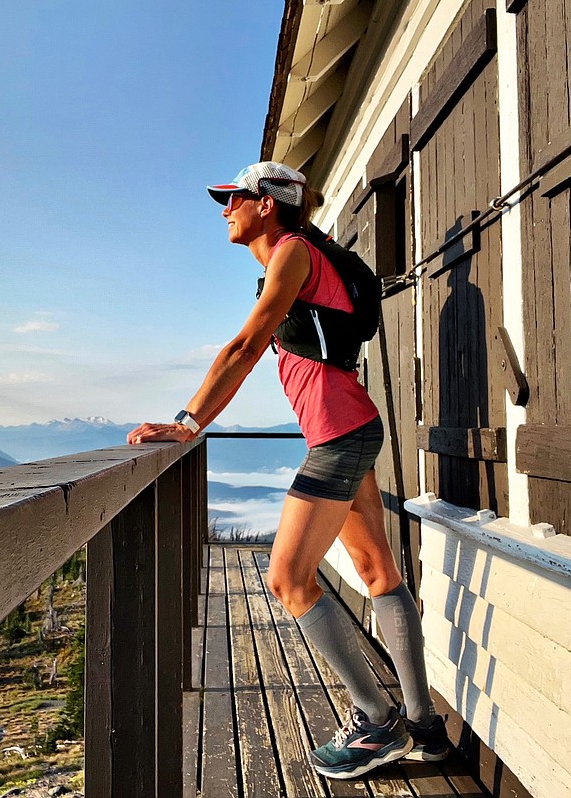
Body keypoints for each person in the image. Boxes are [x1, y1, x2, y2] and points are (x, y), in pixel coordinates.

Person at [127, 161, 450, 780]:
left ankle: (377, 725)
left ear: (267, 204)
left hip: (338, 437)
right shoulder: (304, 255)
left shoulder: (294, 253)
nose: (225, 208)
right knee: (378, 572)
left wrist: (187, 424)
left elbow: (245, 347)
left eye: (234, 198)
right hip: (348, 428)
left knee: (287, 580)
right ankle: (425, 728)